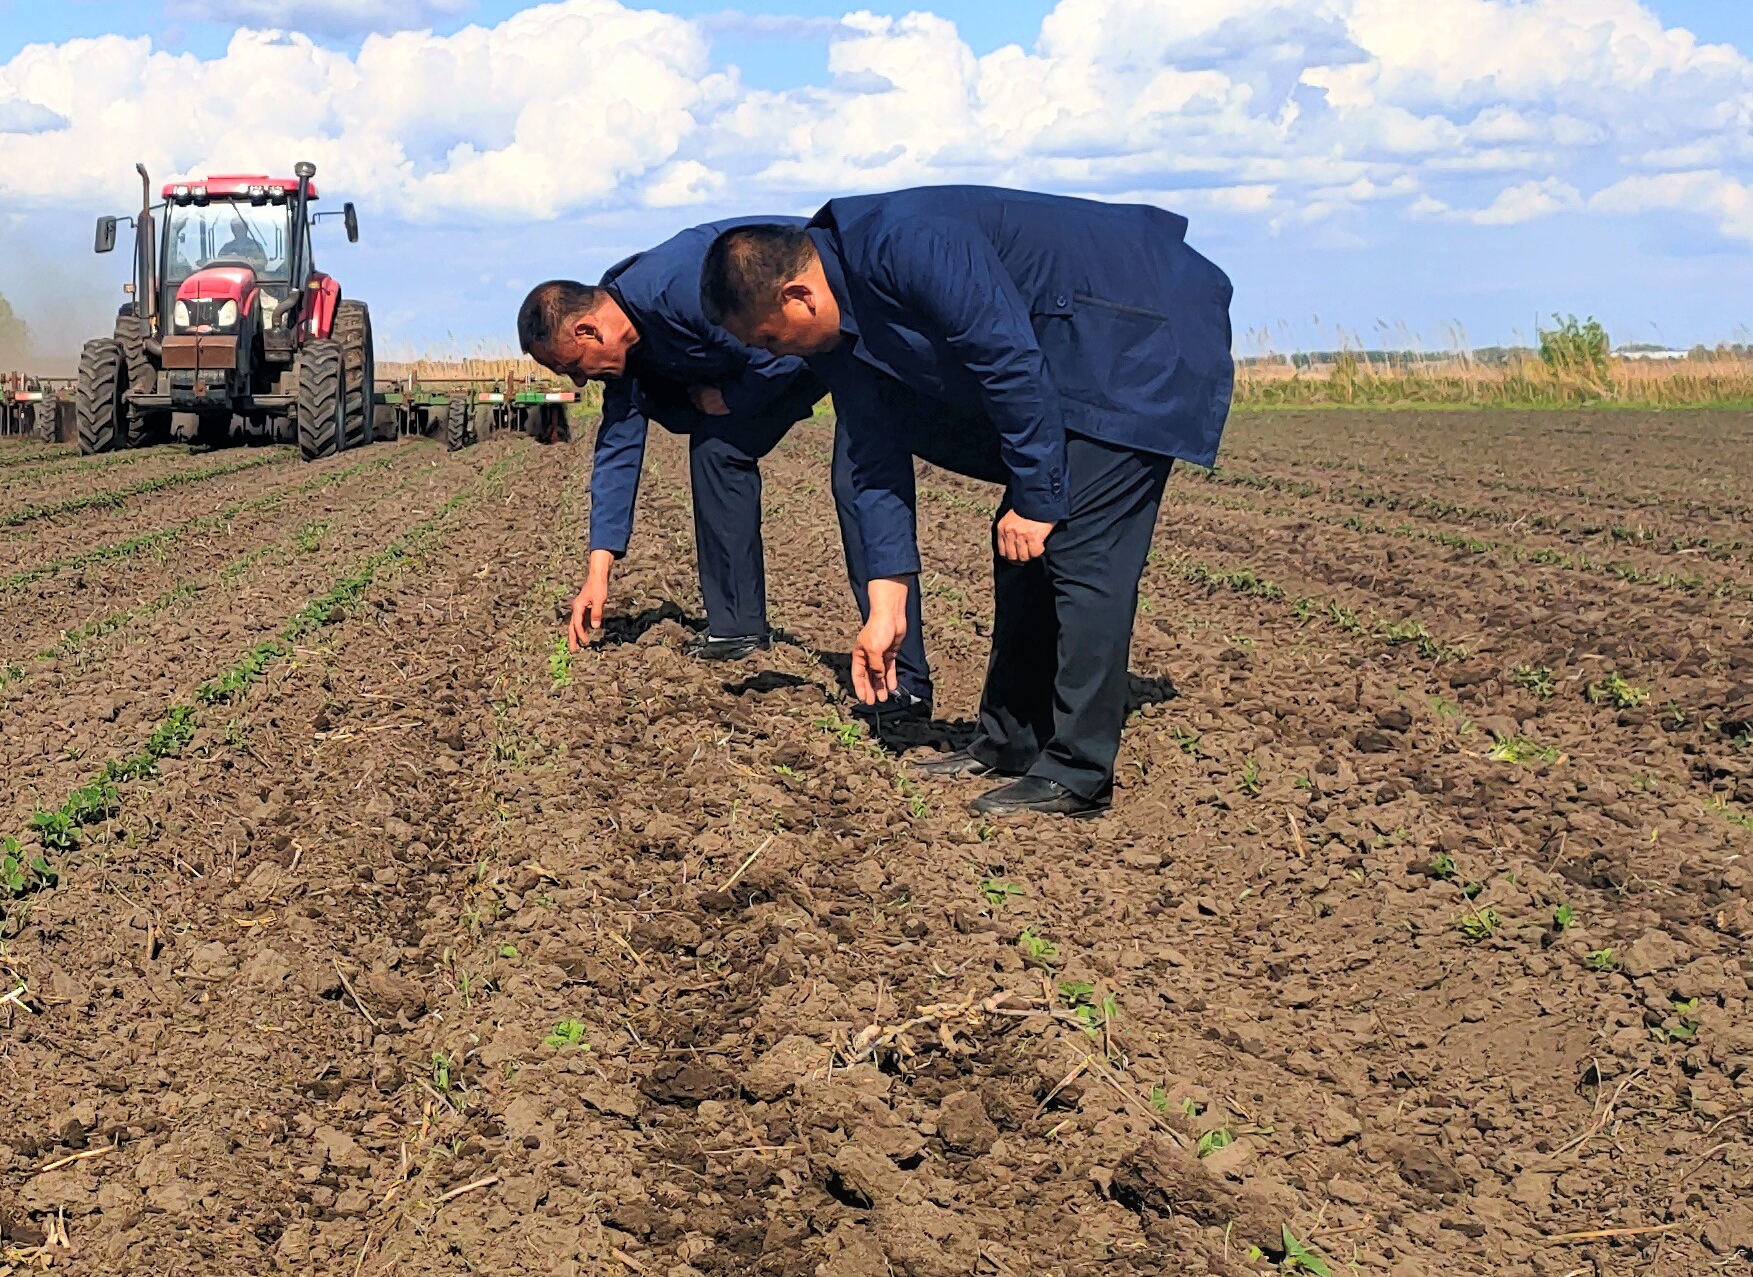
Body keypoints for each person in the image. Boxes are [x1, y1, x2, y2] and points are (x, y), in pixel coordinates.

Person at [701, 188, 1233, 819]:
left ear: (798, 297)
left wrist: (1038, 496)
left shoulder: (906, 242)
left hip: (1136, 342)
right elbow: (873, 458)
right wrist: (887, 603)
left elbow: (1005, 357)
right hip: (1065, 361)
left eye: (767, 339)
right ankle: (1010, 741)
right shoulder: (838, 331)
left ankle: (1079, 771)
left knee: (1081, 548)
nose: (770, 356)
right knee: (1020, 544)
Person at [517, 221, 932, 710]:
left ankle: (903, 680)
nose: (578, 381)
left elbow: (777, 338)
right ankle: (738, 628)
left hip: (832, 333)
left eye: (571, 366)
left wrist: (731, 397)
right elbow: (617, 450)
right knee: (717, 449)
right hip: (773, 361)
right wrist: (598, 571)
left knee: (858, 482)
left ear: (587, 330)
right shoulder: (625, 353)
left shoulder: (681, 289)